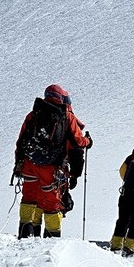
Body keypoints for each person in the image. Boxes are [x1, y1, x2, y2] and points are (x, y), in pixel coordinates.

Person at [14, 84, 92, 238]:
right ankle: (51, 241)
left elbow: (21, 141)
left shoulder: (33, 114)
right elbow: (77, 143)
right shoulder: (66, 116)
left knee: (29, 198)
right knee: (51, 204)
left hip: (30, 164)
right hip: (52, 168)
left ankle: (25, 236)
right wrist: (88, 142)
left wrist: (18, 164)